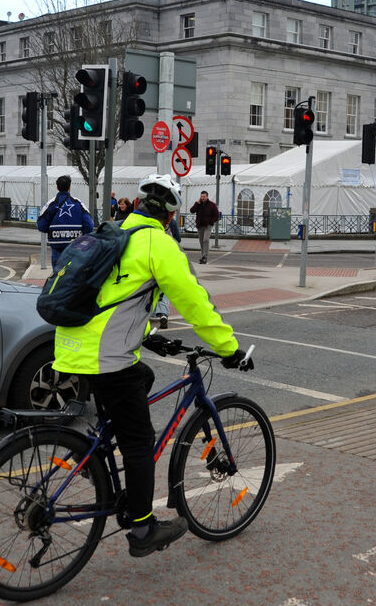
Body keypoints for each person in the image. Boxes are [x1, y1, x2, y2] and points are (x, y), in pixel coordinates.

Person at [53, 173, 252, 558]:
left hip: (71, 345)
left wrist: (145, 334)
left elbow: (117, 296)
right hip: (105, 357)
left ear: (139, 204)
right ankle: (143, 528)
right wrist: (228, 348)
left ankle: (96, 446)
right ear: (172, 215)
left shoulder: (115, 232)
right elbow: (195, 303)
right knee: (140, 442)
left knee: (142, 375)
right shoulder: (157, 244)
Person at [37, 175, 94, 266]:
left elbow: (41, 226)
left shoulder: (51, 204)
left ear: (57, 187)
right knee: (73, 275)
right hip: (75, 248)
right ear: (70, 187)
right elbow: (89, 226)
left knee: (58, 276)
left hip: (57, 248)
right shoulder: (78, 203)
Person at [151, 214, 183, 329]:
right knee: (165, 288)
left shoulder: (150, 223)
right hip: (168, 257)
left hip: (152, 258)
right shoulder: (172, 223)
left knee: (151, 287)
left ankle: (150, 312)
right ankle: (163, 313)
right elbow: (178, 239)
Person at [190, 190, 219, 264]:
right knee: (201, 241)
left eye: (204, 196)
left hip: (208, 226)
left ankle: (205, 256)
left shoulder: (212, 205)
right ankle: (203, 256)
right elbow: (192, 210)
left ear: (207, 197)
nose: (202, 198)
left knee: (205, 240)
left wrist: (211, 222)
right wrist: (197, 203)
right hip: (200, 225)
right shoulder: (198, 204)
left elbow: (216, 216)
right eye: (201, 196)